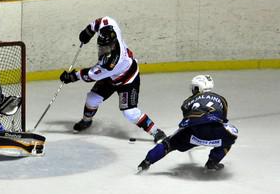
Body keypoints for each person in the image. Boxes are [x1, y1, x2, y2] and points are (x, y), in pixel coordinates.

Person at [60, 15, 166, 143]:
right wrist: (88, 31)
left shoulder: (113, 62)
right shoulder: (111, 27)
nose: (103, 49)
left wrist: (72, 77)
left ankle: (156, 132)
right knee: (92, 99)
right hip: (110, 78)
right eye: (101, 46)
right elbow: (101, 21)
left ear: (113, 44)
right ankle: (86, 121)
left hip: (127, 79)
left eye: (106, 47)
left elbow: (90, 75)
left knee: (129, 112)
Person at [138, 75, 238, 172]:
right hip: (215, 132)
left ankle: (146, 162)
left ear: (199, 88)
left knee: (169, 143)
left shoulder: (187, 101)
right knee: (231, 134)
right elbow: (224, 119)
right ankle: (212, 162)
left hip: (193, 134)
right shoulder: (221, 99)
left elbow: (188, 119)